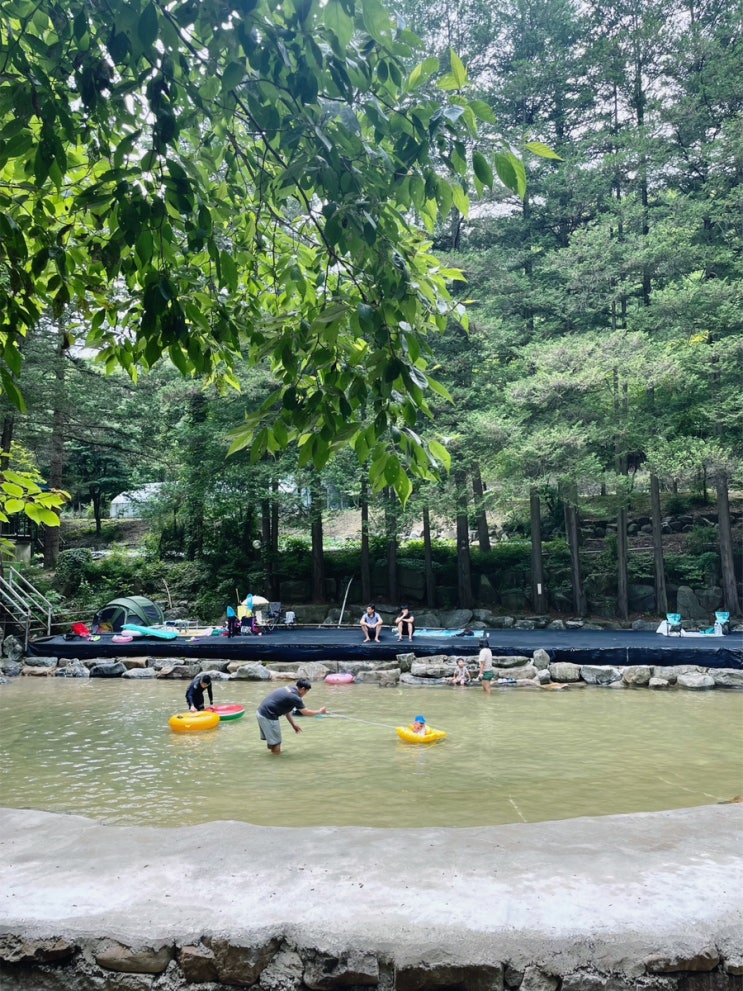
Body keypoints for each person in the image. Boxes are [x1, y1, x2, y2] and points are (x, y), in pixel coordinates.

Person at [256, 678, 327, 755]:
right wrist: (320, 711)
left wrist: (293, 724)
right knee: (276, 743)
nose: (305, 694)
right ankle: (276, 762)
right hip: (268, 716)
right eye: (306, 692)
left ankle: (271, 755)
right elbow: (306, 712)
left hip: (261, 713)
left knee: (272, 741)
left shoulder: (289, 689)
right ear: (303, 689)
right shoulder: (295, 697)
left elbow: (287, 711)